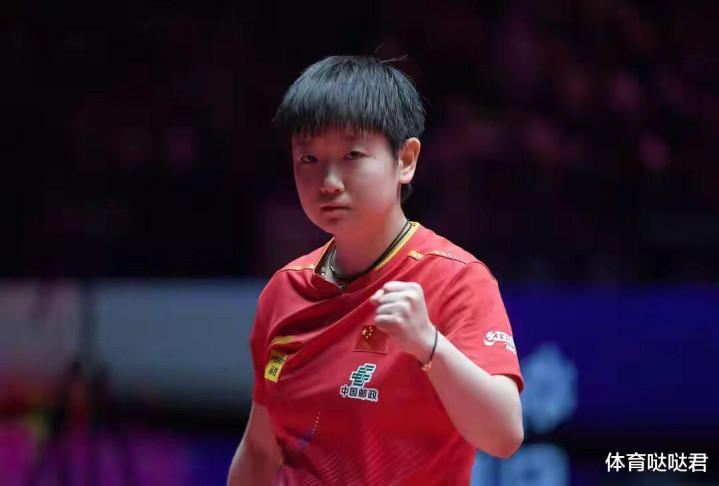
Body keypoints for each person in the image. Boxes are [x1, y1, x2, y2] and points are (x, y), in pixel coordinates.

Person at [228, 55, 524, 486]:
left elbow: (504, 435)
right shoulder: (284, 290)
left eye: (352, 155)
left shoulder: (457, 279)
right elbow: (260, 448)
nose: (328, 181)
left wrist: (429, 345)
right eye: (308, 158)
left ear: (405, 160)